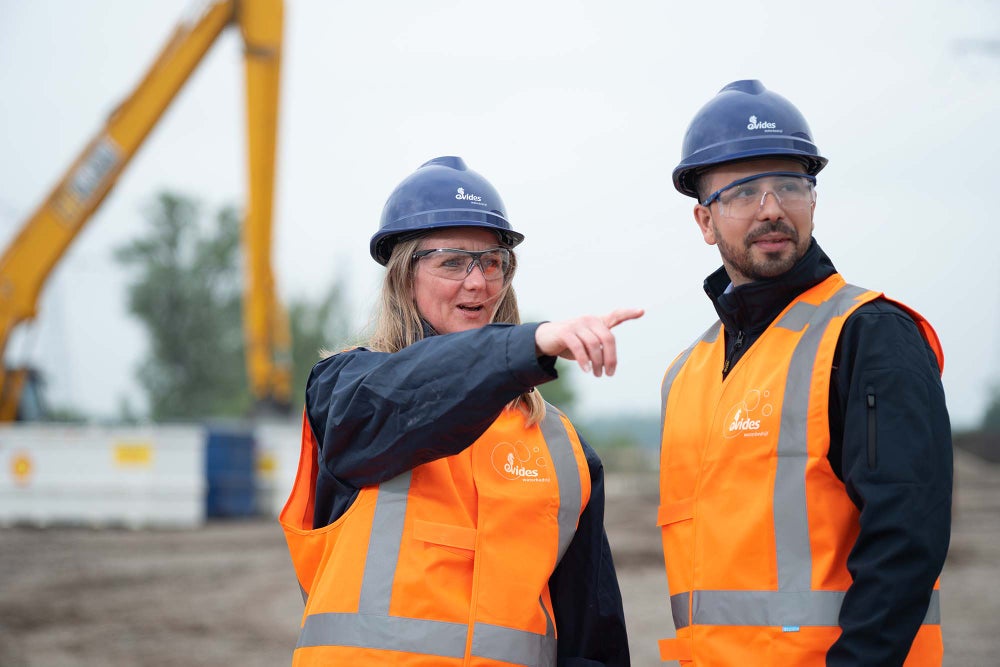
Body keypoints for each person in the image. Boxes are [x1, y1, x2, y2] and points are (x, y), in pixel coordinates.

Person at [280, 156, 640, 666]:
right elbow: (411, 393)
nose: (478, 283)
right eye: (452, 262)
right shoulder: (349, 391)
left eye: (492, 262)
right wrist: (527, 344)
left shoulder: (564, 449)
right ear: (405, 277)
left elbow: (591, 638)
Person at [656, 80, 952, 666]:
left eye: (790, 186)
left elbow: (905, 541)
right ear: (705, 221)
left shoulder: (869, 335)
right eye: (742, 192)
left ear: (813, 201)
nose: (771, 208)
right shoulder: (687, 372)